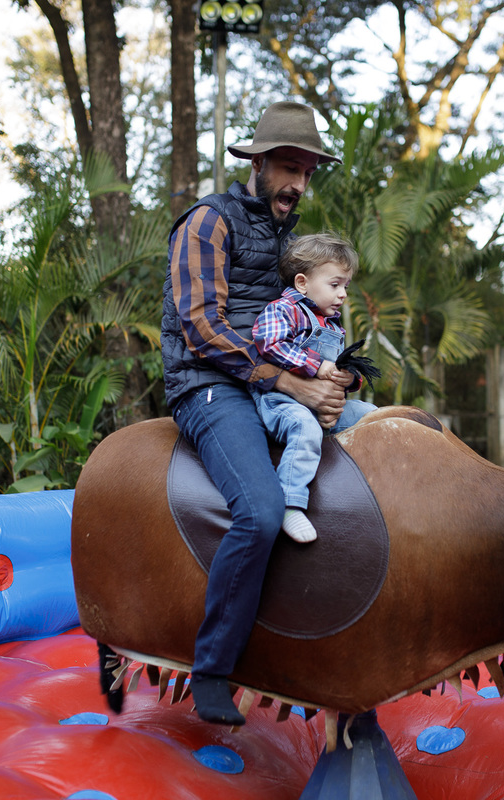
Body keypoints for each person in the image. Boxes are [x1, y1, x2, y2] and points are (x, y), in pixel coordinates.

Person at [162, 101, 355, 726]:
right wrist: (292, 384)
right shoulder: (207, 222)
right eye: (289, 167)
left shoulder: (290, 242)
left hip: (276, 383)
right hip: (208, 384)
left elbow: (308, 322)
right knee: (262, 510)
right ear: (260, 162)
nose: (298, 183)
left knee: (394, 430)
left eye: (308, 172)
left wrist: (331, 377)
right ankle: (212, 668)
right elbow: (201, 327)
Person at [251, 233, 376, 544]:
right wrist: (317, 365)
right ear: (303, 283)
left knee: (373, 416)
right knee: (305, 427)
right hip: (281, 402)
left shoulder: (332, 324)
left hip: (321, 405)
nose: (343, 294)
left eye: (346, 286)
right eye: (335, 285)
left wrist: (348, 380)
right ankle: (290, 503)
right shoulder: (283, 310)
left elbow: (339, 368)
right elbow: (269, 343)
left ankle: (372, 485)